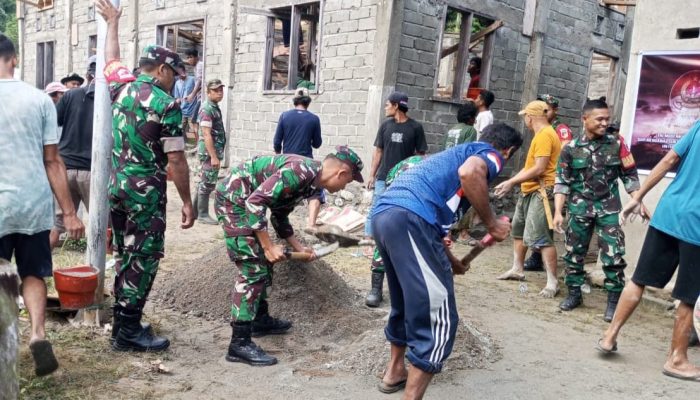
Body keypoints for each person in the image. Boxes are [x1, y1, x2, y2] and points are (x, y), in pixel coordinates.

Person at [372, 123, 521, 399]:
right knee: (438, 315)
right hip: (410, 218)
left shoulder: (449, 158)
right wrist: (492, 224)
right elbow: (470, 173)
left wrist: (453, 262)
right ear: (508, 151)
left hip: (386, 216)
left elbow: (435, 232)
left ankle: (395, 372)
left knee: (407, 301)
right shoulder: (490, 155)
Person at [97, 0, 195, 352]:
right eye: (175, 75)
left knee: (126, 254)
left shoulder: (121, 88)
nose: (175, 82)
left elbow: (111, 60)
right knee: (145, 257)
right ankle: (127, 331)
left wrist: (112, 23)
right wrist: (187, 201)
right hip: (145, 195)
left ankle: (123, 322)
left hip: (117, 188)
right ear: (162, 71)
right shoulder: (166, 104)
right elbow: (177, 160)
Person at [215, 147, 364, 366]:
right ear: (341, 173)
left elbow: (279, 215)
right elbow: (255, 203)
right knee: (253, 268)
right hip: (234, 200)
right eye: (348, 181)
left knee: (265, 263)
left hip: (247, 202)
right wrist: (267, 246)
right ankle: (239, 343)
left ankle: (259, 320)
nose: (345, 187)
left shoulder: (310, 183)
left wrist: (298, 246)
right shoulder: (300, 172)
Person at [0, 33, 85, 376]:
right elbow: (53, 161)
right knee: (34, 271)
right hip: (33, 203)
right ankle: (37, 334)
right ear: (15, 58)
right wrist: (68, 212)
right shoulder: (40, 100)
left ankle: (6, 345)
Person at [598, 121, 700, 380]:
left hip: (668, 212)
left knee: (639, 278)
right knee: (688, 295)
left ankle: (609, 336)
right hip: (696, 226)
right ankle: (677, 359)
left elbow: (668, 160)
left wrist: (637, 197)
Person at [553, 98, 643, 320]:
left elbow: (630, 175)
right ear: (585, 119)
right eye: (599, 119)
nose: (604, 123)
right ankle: (574, 294)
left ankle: (613, 303)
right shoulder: (571, 149)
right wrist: (558, 212)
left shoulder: (617, 144)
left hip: (609, 208)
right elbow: (562, 182)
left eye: (607, 119)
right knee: (574, 254)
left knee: (614, 256)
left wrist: (637, 199)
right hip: (579, 208)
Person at [495, 101, 561, 297]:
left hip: (542, 191)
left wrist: (511, 182)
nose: (525, 120)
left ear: (530, 117)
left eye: (525, 116)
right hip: (529, 189)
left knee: (542, 237)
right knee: (518, 229)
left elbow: (540, 168)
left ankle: (552, 282)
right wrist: (512, 181)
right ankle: (517, 269)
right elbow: (530, 166)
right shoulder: (540, 135)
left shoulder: (545, 135)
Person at [49, 58, 97, 249]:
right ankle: (98, 268)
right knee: (102, 223)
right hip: (93, 171)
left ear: (87, 76)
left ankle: (36, 272)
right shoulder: (112, 97)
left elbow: (53, 122)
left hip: (65, 169)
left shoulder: (70, 96)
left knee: (56, 226)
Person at [365, 91, 427, 239]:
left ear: (396, 105)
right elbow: (378, 152)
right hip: (383, 176)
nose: (385, 108)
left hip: (403, 178)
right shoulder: (385, 126)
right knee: (376, 207)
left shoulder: (415, 128)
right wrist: (371, 175)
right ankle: (368, 240)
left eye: (387, 105)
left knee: (399, 210)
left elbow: (420, 156)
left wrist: (416, 178)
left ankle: (392, 239)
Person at [523, 94, 574, 272]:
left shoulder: (560, 129)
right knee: (539, 225)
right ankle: (536, 258)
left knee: (546, 225)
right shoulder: (543, 129)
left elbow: (564, 153)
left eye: (549, 108)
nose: (545, 111)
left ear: (554, 110)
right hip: (541, 182)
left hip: (553, 182)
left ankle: (550, 266)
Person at [365, 155, 424, 307]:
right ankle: (375, 289)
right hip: (394, 202)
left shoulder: (429, 180)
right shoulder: (397, 179)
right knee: (385, 239)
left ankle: (410, 289)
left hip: (419, 203)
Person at [273, 87, 323, 230]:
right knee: (314, 192)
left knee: (283, 192)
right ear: (308, 102)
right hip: (307, 162)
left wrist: (279, 157)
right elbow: (317, 144)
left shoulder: (284, 116)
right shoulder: (314, 119)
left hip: (287, 161)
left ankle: (281, 224)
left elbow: (277, 142)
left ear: (295, 101)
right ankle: (311, 225)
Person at [194, 79, 226, 225]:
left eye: (221, 90)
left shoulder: (213, 107)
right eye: (215, 90)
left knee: (203, 181)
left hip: (211, 152)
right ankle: (203, 214)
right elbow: (206, 134)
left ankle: (196, 212)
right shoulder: (207, 109)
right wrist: (213, 156)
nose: (219, 93)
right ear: (208, 92)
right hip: (209, 153)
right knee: (207, 183)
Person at [184, 48, 204, 142]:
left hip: (202, 98)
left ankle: (199, 143)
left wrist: (192, 94)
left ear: (196, 57)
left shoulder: (200, 65)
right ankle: (197, 143)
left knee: (194, 120)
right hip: (199, 97)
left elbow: (200, 81)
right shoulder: (196, 67)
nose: (189, 60)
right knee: (195, 121)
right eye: (187, 58)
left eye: (190, 57)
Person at [173, 73, 196, 140]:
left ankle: (197, 146)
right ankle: (184, 144)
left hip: (192, 110)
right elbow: (177, 97)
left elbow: (199, 88)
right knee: (181, 129)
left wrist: (192, 95)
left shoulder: (192, 79)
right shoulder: (177, 83)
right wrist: (177, 101)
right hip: (182, 110)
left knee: (194, 129)